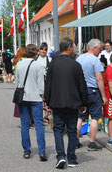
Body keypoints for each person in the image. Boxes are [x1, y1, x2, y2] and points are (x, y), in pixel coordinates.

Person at [44, 39, 88, 169]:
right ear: (69, 48)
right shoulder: (76, 65)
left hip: (56, 102)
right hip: (73, 102)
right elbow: (82, 85)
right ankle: (72, 158)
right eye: (73, 47)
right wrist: (84, 102)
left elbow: (48, 85)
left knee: (58, 129)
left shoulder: (53, 64)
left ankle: (61, 156)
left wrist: (47, 101)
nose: (73, 49)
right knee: (72, 130)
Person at [15, 44, 48, 161]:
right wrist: (43, 98)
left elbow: (17, 82)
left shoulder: (19, 64)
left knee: (25, 125)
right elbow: (41, 85)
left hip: (23, 97)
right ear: (36, 53)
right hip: (36, 98)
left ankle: (26, 150)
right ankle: (42, 151)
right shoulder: (39, 66)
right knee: (39, 125)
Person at [76, 39, 106, 151]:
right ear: (95, 48)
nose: (100, 52)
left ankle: (75, 140)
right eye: (100, 49)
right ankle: (92, 143)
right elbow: (99, 78)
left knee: (79, 117)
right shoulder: (95, 60)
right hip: (93, 90)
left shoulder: (79, 58)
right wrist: (103, 96)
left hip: (80, 91)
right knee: (94, 117)